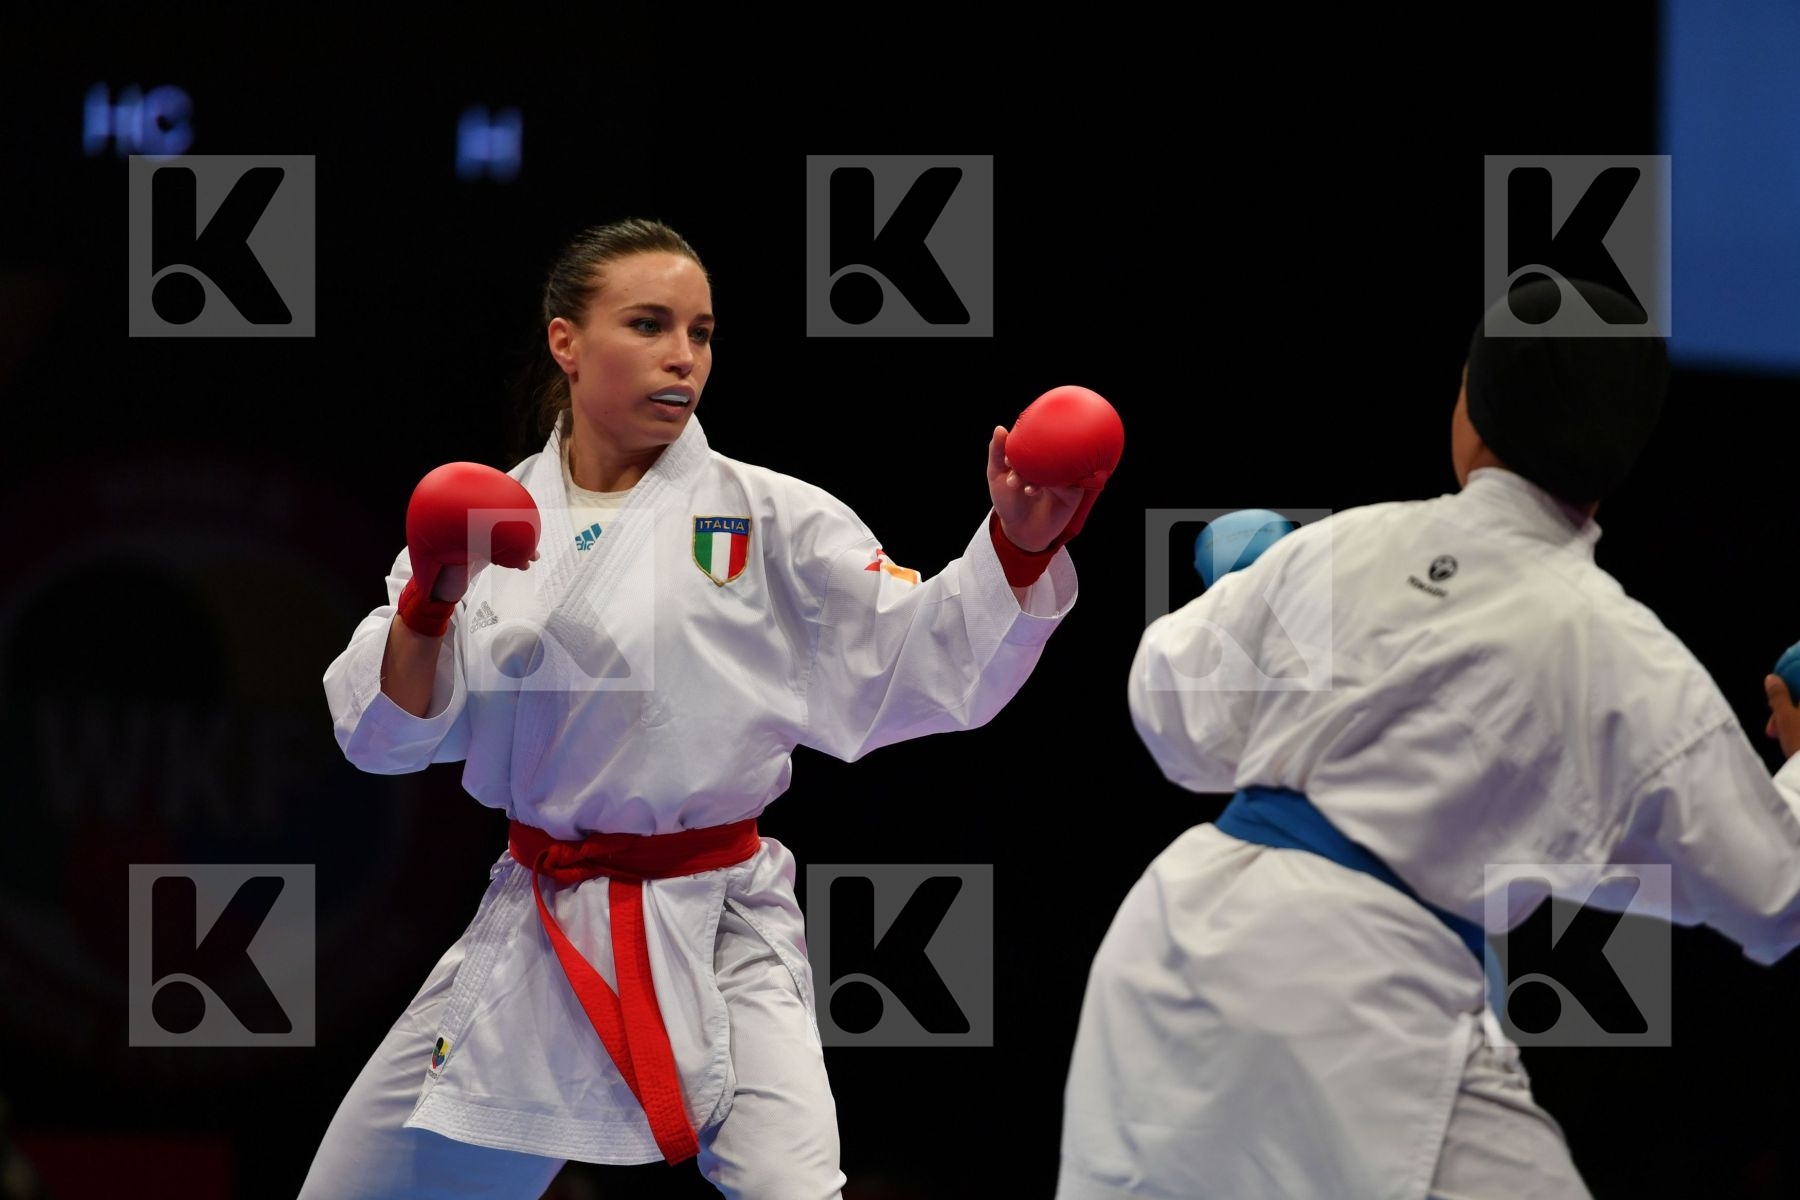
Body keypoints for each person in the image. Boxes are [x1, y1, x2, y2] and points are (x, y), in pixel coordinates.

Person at [304, 218, 1102, 1199]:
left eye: (703, 331)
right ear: (566, 340)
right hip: (542, 921)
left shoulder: (778, 519)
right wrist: (431, 597)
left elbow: (918, 664)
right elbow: (384, 742)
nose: (684, 356)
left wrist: (1015, 549)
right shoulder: (485, 514)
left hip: (722, 922)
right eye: (649, 324)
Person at [1055, 278, 1800, 1200]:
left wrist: (1242, 592)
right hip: (1364, 990)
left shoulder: (1339, 548)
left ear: (1471, 414)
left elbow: (1171, 721)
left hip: (1176, 950)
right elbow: (1776, 896)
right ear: (1620, 458)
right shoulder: (1625, 657)